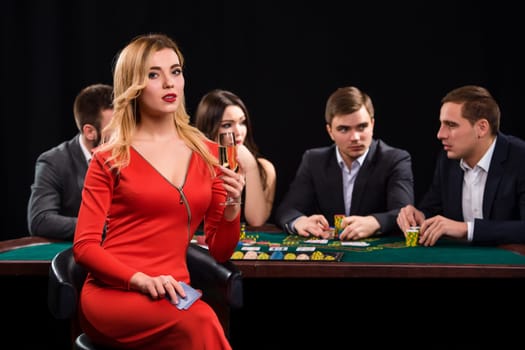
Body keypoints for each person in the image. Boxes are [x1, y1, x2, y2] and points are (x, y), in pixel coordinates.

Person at [73, 33, 244, 349]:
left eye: (175, 71)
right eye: (154, 74)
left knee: (199, 321)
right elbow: (84, 247)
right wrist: (140, 279)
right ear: (133, 85)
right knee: (202, 322)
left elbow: (221, 251)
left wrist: (233, 206)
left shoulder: (209, 152)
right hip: (114, 295)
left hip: (173, 293)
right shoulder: (109, 157)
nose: (169, 83)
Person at [275, 86, 414, 240]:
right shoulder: (314, 160)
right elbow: (287, 209)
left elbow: (404, 212)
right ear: (330, 131)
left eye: (362, 127)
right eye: (344, 129)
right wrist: (300, 222)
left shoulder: (395, 159)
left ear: (372, 125)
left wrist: (375, 222)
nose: (355, 137)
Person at [397, 84, 525, 246]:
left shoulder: (520, 158)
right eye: (441, 124)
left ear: (482, 128)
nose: (440, 134)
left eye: (451, 125)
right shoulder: (447, 159)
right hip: (460, 264)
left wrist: (467, 229)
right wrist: (418, 215)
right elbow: (433, 210)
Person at [27, 83, 113, 240]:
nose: (124, 135)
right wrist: (101, 228)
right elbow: (41, 220)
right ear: (90, 132)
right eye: (115, 129)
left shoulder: (132, 154)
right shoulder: (54, 162)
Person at [194, 89, 276, 226]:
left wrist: (251, 167)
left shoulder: (264, 168)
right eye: (227, 125)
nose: (238, 131)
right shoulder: (193, 165)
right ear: (209, 129)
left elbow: (256, 221)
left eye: (242, 122)